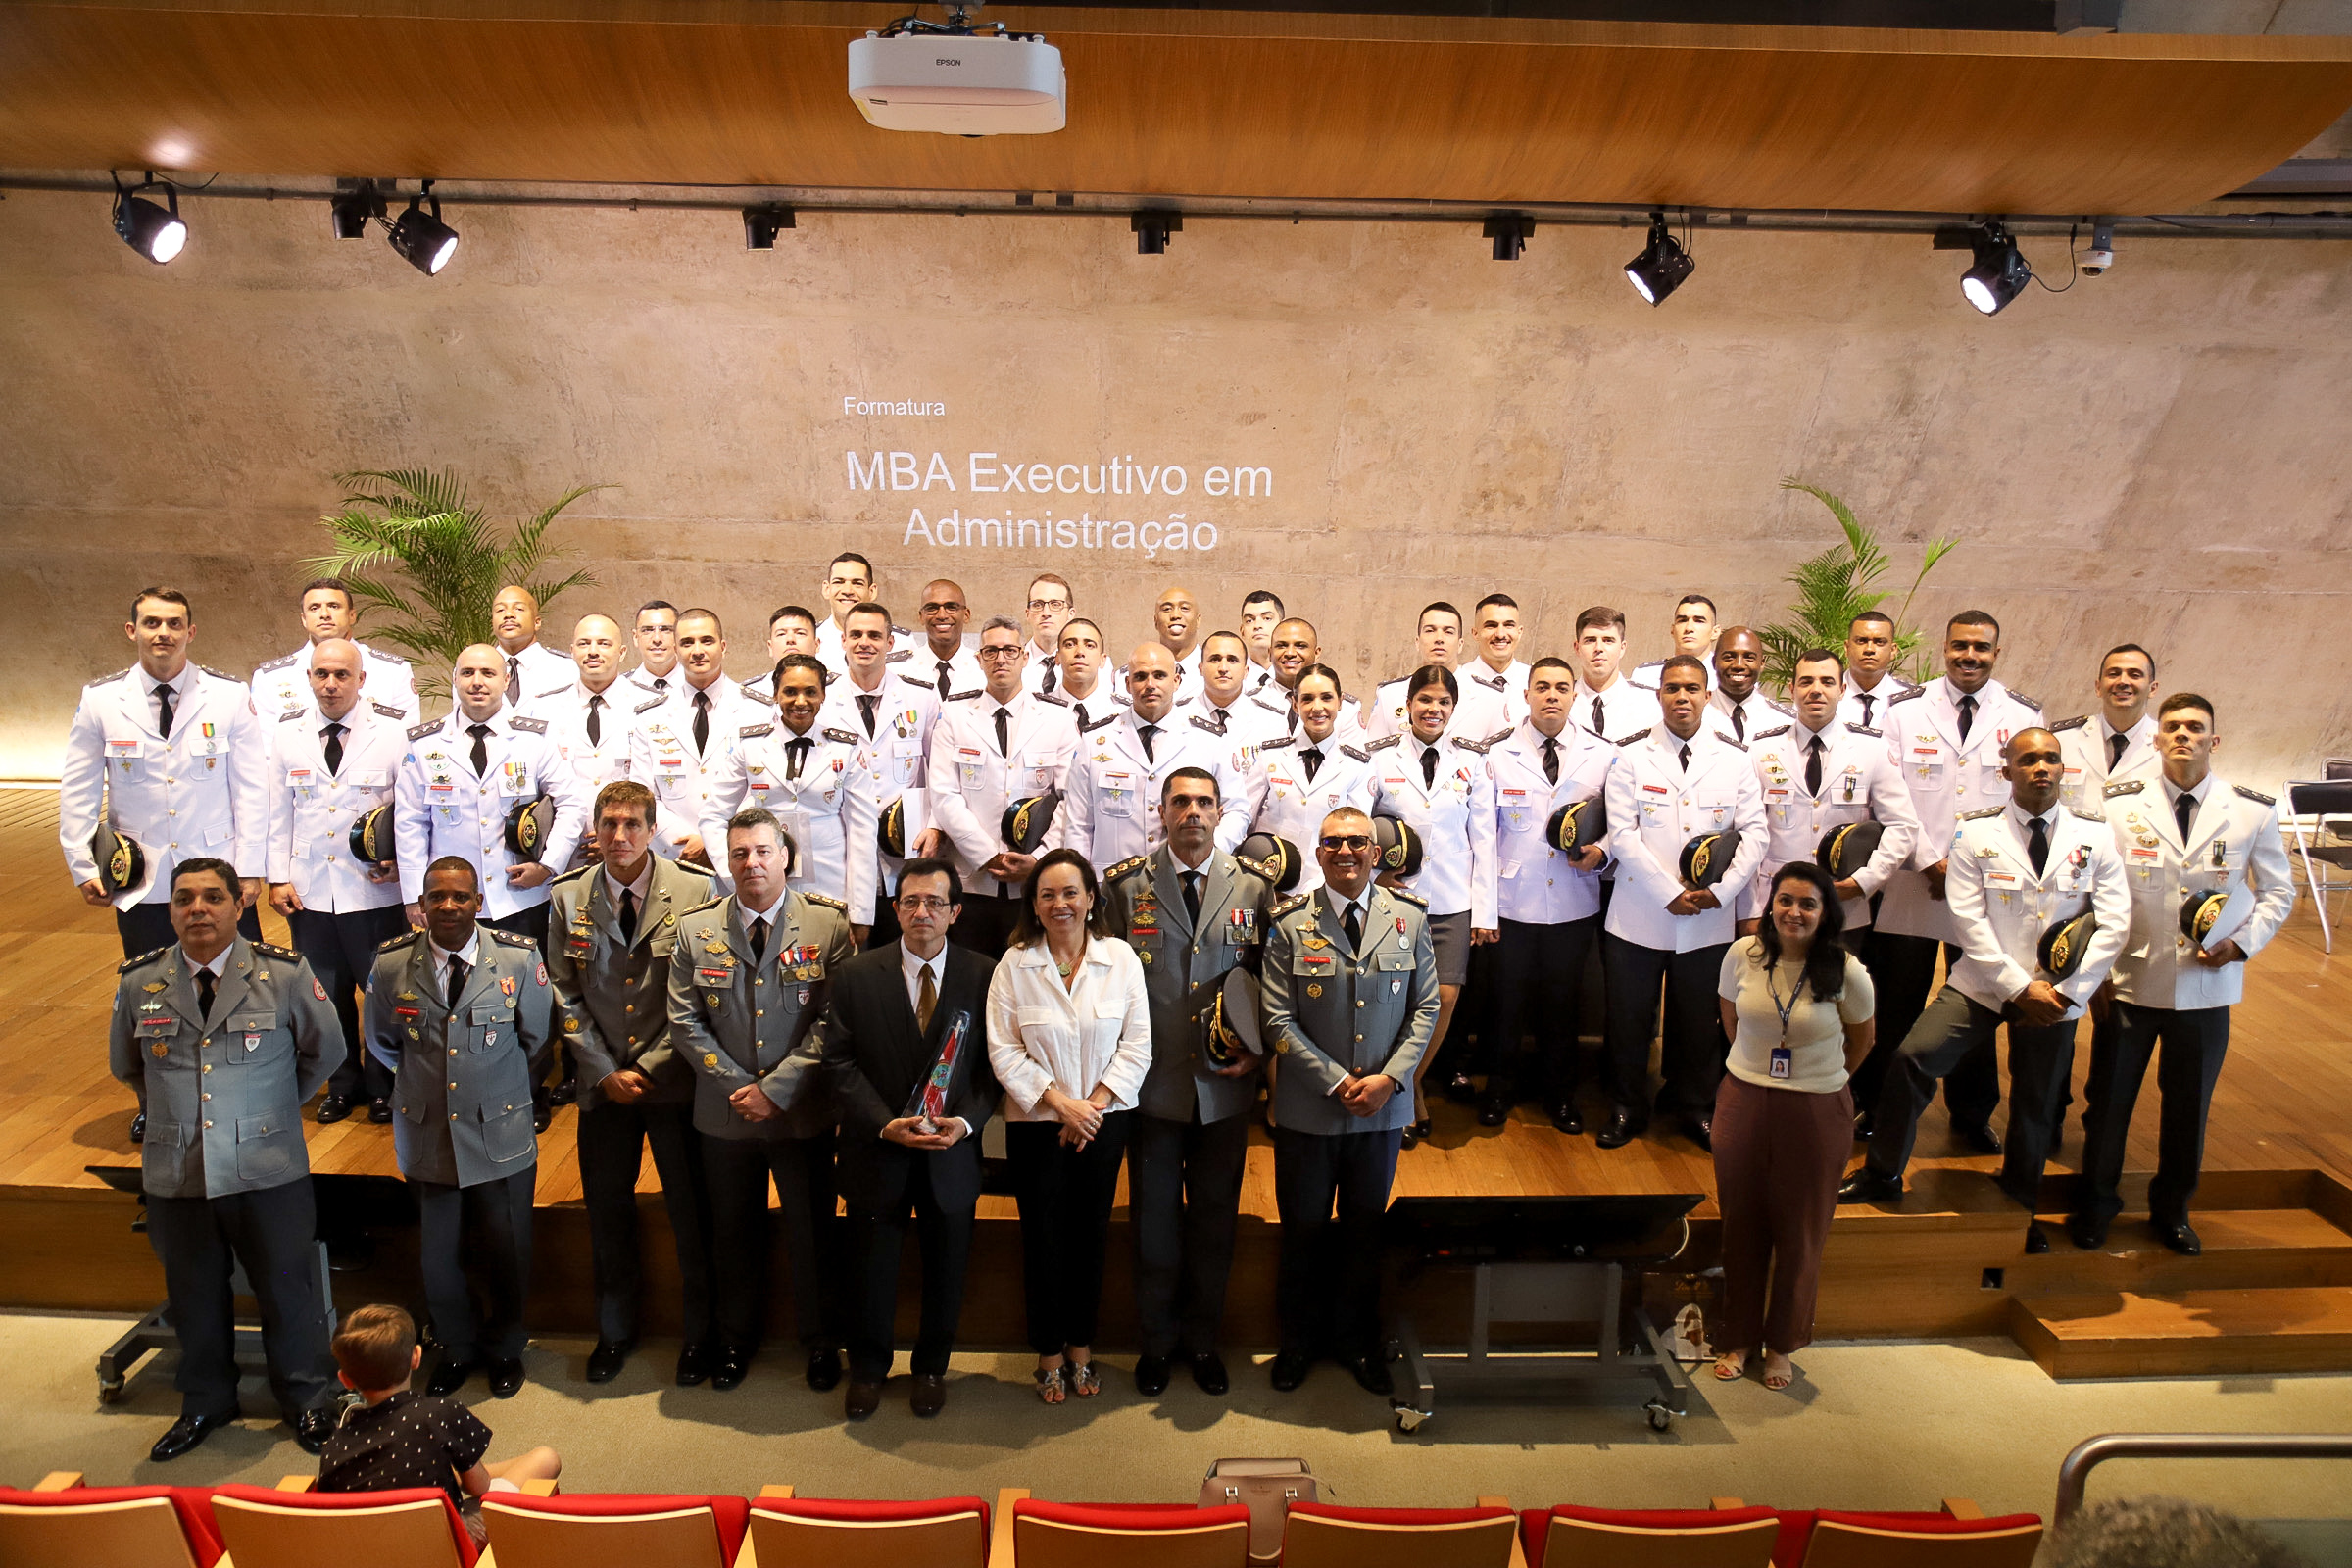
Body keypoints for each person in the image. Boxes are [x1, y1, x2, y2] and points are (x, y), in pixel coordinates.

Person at [1840, 729, 2130, 1252]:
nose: (2040, 768)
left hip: (2057, 994)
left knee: (2037, 1101)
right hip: (1983, 983)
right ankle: (1882, 1173)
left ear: (2062, 769)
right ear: (2006, 772)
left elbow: (2112, 923)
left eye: (2050, 759)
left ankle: (2021, 1205)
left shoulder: (2096, 835)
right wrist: (2020, 987)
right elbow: (1968, 920)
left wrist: (2072, 992)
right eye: (2027, 760)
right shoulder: (1975, 833)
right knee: (1912, 1057)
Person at [111, 858, 344, 1461]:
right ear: (170, 910)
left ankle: (307, 1400)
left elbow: (326, 1051)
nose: (198, 909)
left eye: (213, 897)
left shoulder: (284, 976)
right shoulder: (140, 982)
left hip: (267, 1166)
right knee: (193, 1295)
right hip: (178, 1172)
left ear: (239, 906)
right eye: (184, 898)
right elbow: (128, 1067)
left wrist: (269, 1109)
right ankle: (206, 1401)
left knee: (287, 1291)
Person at [2073, 694, 2296, 1253]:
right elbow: (2091, 890)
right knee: (2109, 1104)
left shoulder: (2251, 810)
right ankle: (2095, 1208)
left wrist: (2240, 945)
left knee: (2188, 1108)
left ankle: (2172, 1212)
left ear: (2213, 741)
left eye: (2195, 728)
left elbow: (2277, 892)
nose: (2182, 736)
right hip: (2129, 982)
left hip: (2206, 985)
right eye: (2172, 727)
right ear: (2156, 738)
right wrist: (2090, 969)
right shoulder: (2116, 805)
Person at [1102, 768, 1277, 1397]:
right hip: (1151, 1087)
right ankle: (1155, 1345)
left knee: (1212, 1224)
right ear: (1163, 812)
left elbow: (1269, 985)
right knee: (1153, 1228)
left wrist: (1259, 1057)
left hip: (1225, 1087)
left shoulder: (1254, 887)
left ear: (1220, 811)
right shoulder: (1124, 887)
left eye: (1204, 802)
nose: (1193, 813)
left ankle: (1201, 1342)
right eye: (1181, 802)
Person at [668, 808, 857, 1392]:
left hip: (800, 1111)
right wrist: (738, 1088)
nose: (752, 863)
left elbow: (836, 1020)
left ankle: (822, 1341)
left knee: (812, 1232)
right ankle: (735, 1339)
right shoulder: (694, 929)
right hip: (725, 1115)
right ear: (727, 862)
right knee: (731, 1232)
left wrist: (776, 1089)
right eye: (740, 853)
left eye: (763, 851)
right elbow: (683, 1021)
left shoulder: (827, 925)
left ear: (786, 858)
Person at [809, 858, 1001, 1420]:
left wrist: (964, 1123)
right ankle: (868, 1370)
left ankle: (931, 1368)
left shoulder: (985, 975)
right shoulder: (857, 975)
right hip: (877, 1151)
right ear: (894, 910)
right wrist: (881, 1121)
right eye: (911, 902)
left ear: (956, 913)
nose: (922, 913)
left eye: (935, 903)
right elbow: (837, 1061)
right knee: (871, 1270)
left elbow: (995, 1067)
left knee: (947, 1270)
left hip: (951, 1154)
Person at [543, 781, 718, 1386]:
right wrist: (601, 1069)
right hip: (602, 1087)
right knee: (607, 1214)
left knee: (690, 1215)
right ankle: (615, 1330)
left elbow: (700, 993)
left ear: (651, 830)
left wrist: (647, 1067)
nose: (620, 837)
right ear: (594, 829)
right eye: (609, 824)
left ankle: (701, 1335)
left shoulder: (696, 890)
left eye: (632, 825)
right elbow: (563, 992)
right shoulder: (568, 897)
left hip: (671, 1082)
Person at [1261, 807, 1438, 1396]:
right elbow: (1277, 1019)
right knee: (1304, 1230)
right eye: (1333, 843)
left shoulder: (1409, 919)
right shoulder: (1290, 923)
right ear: (1317, 854)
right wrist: (1336, 1080)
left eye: (1358, 842)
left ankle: (1357, 1341)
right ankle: (1298, 1342)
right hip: (1311, 1109)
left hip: (1383, 1111)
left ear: (1376, 851)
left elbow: (1427, 1009)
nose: (1346, 852)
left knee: (1365, 1231)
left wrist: (1390, 1079)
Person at [365, 857, 555, 1398]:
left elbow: (537, 1039)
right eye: (436, 897)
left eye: (460, 896)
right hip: (428, 1134)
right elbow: (382, 1042)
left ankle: (505, 1348)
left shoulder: (518, 960)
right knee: (438, 1258)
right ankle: (457, 1345)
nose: (448, 906)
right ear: (421, 906)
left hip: (500, 1131)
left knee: (508, 1249)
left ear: (479, 902)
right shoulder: (391, 965)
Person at [1870, 611, 2043, 1151]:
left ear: (1997, 652)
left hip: (1990, 885)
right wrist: (1927, 858)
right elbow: (1889, 791)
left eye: (1982, 648)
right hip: (1914, 881)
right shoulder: (1903, 710)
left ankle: (1972, 1115)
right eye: (1960, 646)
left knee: (1979, 998)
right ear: (1945, 649)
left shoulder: (2022, 714)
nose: (1970, 656)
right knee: (1897, 998)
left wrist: (1971, 867)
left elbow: (2029, 800)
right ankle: (1879, 1106)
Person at [987, 848, 1153, 1404]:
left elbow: (1137, 1044)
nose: (1060, 903)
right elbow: (1003, 1050)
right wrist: (1063, 1105)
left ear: (1090, 900)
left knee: (1090, 1235)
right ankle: (1049, 1355)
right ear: (1033, 905)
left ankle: (1082, 1346)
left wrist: (1092, 1107)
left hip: (1103, 1122)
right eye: (1047, 894)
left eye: (1070, 892)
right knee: (1042, 1238)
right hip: (1038, 1124)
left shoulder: (1121, 957)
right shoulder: (1013, 964)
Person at [1711, 862, 1875, 1393]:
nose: (1794, 913)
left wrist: (1824, 1079)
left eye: (1807, 904)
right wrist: (1758, 1068)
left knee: (1800, 1234)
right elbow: (1731, 1018)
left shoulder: (1846, 970)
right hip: (1744, 1102)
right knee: (1741, 1227)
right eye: (1785, 900)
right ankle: (1737, 1336)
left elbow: (1863, 1039)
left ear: (1825, 913)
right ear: (1771, 905)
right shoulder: (1742, 955)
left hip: (1815, 1110)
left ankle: (1781, 1343)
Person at [62, 587, 269, 1001]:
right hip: (141, 876)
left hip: (218, 870)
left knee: (241, 989)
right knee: (153, 992)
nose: (163, 633)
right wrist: (82, 865)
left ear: (190, 632)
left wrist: (250, 865)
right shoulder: (101, 700)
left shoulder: (228, 696)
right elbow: (78, 787)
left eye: (174, 624)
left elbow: (252, 788)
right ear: (131, 630)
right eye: (152, 623)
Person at [1598, 655, 1766, 1151]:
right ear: (1659, 696)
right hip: (1639, 914)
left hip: (1709, 915)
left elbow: (1755, 834)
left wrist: (1722, 891)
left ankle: (1695, 1105)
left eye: (1692, 688)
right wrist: (1669, 892)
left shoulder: (1735, 760)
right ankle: (1627, 1105)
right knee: (1629, 1018)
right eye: (1672, 688)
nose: (1682, 697)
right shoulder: (1630, 757)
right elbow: (1622, 835)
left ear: (1707, 696)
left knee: (1699, 1019)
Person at [265, 639, 410, 1124]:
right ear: (308, 678)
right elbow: (277, 812)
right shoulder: (287, 735)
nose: (331, 684)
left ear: (361, 679)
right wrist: (277, 877)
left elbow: (408, 813)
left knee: (384, 994)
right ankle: (342, 1084)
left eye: (342, 675)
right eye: (321, 674)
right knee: (325, 996)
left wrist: (403, 867)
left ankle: (387, 1084)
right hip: (310, 891)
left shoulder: (392, 734)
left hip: (373, 890)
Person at [1477, 657, 1614, 1132]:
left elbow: (1618, 821)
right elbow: (1484, 836)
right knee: (1506, 1004)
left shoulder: (1601, 754)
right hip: (1513, 902)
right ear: (1526, 696)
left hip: (1574, 901)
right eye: (1542, 687)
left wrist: (1602, 849)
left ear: (1574, 695)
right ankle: (1499, 1091)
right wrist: (1485, 911)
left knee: (1563, 1004)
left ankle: (1560, 1097)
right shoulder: (1496, 754)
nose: (1551, 695)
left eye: (1560, 687)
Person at [1363, 665, 1497, 1144]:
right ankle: (1394, 1089)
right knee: (1393, 1000)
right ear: (1408, 706)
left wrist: (1485, 912)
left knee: (1443, 998)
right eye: (1425, 700)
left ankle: (1411, 1083)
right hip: (1393, 901)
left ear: (1453, 709)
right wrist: (1375, 876)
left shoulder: (1473, 762)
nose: (1433, 709)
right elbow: (1360, 827)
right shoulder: (1378, 759)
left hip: (1451, 901)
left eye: (1442, 702)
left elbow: (1484, 839)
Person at [318, 1304, 562, 1546]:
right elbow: (480, 1487)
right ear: (416, 1357)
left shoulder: (333, 1447)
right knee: (545, 1458)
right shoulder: (440, 1414)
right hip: (445, 1546)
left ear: (345, 1379)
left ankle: (450, 1471)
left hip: (374, 1552)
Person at [392, 645, 589, 943]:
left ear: (506, 679)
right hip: (449, 900)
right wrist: (414, 893)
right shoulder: (425, 744)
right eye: (468, 673)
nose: (478, 682)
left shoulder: (533, 739)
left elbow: (571, 803)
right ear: (455, 679)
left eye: (488, 673)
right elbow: (410, 822)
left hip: (520, 895)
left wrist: (548, 865)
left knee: (523, 984)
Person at [925, 616, 1082, 956]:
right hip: (971, 882)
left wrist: (1039, 859)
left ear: (1025, 657)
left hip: (1035, 884)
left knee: (1031, 982)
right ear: (978, 659)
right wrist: (986, 855)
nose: (1001, 659)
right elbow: (943, 794)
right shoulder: (954, 715)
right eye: (991, 651)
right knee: (973, 984)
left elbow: (1071, 798)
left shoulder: (1058, 719)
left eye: (1010, 650)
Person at [1739, 648, 1918, 944]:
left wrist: (1863, 881)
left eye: (1827, 682)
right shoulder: (1761, 751)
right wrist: (1750, 910)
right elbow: (1747, 832)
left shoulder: (1871, 750)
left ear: (1843, 689)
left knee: (1836, 988)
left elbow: (1903, 826)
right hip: (1775, 905)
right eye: (1807, 682)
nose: (1816, 690)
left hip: (1844, 908)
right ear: (1792, 689)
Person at [699, 652, 879, 934]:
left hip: (828, 888)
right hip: (759, 890)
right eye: (790, 692)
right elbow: (713, 816)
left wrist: (861, 913)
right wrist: (736, 874)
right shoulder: (750, 745)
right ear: (775, 694)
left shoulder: (845, 748)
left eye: (810, 692)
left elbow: (863, 831)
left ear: (823, 696)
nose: (800, 701)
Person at [1059, 644, 1245, 873]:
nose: (1150, 685)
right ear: (1127, 684)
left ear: (1176, 681)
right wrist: (1080, 880)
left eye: (1159, 675)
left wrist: (1208, 852)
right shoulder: (1095, 740)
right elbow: (1079, 824)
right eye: (1140, 677)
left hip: (1186, 876)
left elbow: (1236, 809)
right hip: (1113, 882)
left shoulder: (1210, 741)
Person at [818, 600, 943, 944]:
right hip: (840, 856)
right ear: (842, 640)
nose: (864, 642)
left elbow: (940, 771)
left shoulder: (920, 697)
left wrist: (935, 826)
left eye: (875, 635)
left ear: (890, 643)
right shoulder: (822, 701)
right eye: (855, 634)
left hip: (905, 857)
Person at [630, 608, 760, 867]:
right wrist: (683, 841)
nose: (697, 650)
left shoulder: (757, 710)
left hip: (738, 853)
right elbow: (643, 794)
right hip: (673, 854)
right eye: (687, 643)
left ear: (723, 646)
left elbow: (760, 788)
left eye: (706, 640)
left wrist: (715, 841)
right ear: (676, 651)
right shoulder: (651, 715)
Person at [1241, 664, 1380, 899]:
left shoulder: (1358, 767)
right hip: (1266, 885)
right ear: (1295, 704)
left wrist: (1313, 891)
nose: (1317, 707)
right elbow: (1245, 819)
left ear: (1340, 702)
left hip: (1328, 890)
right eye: (1307, 699)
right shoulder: (1269, 756)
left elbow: (1355, 838)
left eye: (1326, 697)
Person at [524, 614, 640, 860]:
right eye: (584, 643)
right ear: (572, 651)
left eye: (603, 643)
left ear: (621, 652)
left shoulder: (648, 706)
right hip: (563, 851)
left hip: (632, 846)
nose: (593, 651)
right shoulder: (543, 709)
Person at [248, 576, 417, 719]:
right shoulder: (270, 678)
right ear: (304, 619)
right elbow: (266, 750)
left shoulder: (394, 672)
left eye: (334, 606)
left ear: (352, 615)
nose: (324, 614)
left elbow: (406, 745)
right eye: (314, 608)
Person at [2052, 643, 2162, 813]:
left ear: (2152, 689)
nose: (2123, 682)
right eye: (2113, 674)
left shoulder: (2168, 746)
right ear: (2098, 687)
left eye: (2135, 675)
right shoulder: (2061, 740)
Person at [1180, 629, 1286, 779]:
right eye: (1215, 659)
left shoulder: (1272, 722)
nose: (1223, 668)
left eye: (1232, 660)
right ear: (1201, 669)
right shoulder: (1178, 717)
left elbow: (1278, 784)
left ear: (1246, 671)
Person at [1367, 602, 1465, 742]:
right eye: (1430, 631)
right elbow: (1374, 752)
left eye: (1448, 632)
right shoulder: (1389, 693)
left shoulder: (1486, 696)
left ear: (1460, 644)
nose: (1439, 639)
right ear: (1417, 642)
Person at [1256, 618, 1364, 741]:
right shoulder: (1250, 704)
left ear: (1316, 653)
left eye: (1300, 646)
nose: (1290, 652)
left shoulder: (1347, 709)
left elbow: (1350, 759)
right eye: (1281, 645)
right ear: (1270, 653)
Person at [1568, 605, 1663, 743]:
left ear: (1622, 647)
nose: (1599, 648)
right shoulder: (1559, 702)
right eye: (1590, 640)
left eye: (1608, 640)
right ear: (1577, 648)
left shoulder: (1653, 705)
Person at [813, 551, 913, 674]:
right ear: (826, 589)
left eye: (857, 583)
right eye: (839, 582)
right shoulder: (810, 638)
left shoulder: (903, 641)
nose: (847, 590)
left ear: (872, 591)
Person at [1451, 594, 1530, 742]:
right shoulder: (1456, 681)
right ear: (1475, 633)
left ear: (1520, 632)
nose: (1500, 634)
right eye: (1491, 626)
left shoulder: (1537, 682)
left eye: (1509, 625)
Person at [489, 584, 572, 709]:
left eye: (518, 609)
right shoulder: (470, 671)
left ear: (537, 622)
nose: (508, 615)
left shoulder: (567, 669)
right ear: (492, 623)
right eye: (500, 610)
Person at [1837, 611, 1920, 730]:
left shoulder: (1913, 700)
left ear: (1893, 650)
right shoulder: (1822, 696)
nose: (1869, 649)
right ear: (1847, 647)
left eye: (1879, 642)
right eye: (1861, 641)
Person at [1705, 628, 1789, 744]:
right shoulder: (1696, 714)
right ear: (1714, 662)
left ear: (1762, 664)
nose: (1738, 665)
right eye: (1729, 657)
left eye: (1749, 658)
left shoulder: (1785, 721)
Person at [1630, 594, 1721, 691]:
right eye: (1682, 621)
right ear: (1672, 630)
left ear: (1715, 632)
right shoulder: (1646, 675)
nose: (1689, 628)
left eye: (1699, 621)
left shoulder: (1724, 677)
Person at [914, 578, 985, 698]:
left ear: (966, 615)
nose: (942, 615)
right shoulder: (899, 670)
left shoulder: (983, 669)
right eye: (932, 608)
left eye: (951, 607)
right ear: (921, 616)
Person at [1052, 617, 1123, 731]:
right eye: (1070, 644)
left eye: (1089, 645)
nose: (1080, 652)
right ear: (1057, 658)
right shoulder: (1037, 710)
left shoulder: (1123, 713)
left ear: (1102, 659)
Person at [742, 605, 824, 705]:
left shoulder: (839, 688)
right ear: (770, 647)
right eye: (781, 634)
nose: (790, 640)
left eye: (800, 633)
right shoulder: (749, 695)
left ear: (817, 644)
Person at [1139, 582, 1206, 694]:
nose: (1175, 615)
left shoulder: (1215, 673)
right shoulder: (1132, 675)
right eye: (1167, 609)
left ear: (1198, 620)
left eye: (1184, 608)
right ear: (1156, 621)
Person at [1020, 573, 1077, 695]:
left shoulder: (1090, 664)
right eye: (1037, 604)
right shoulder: (1011, 663)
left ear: (1070, 614)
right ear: (1027, 613)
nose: (1046, 613)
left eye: (1055, 604)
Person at [623, 600, 681, 703]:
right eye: (647, 630)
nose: (657, 639)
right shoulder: (619, 689)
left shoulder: (697, 684)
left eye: (666, 629)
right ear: (635, 637)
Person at [1238, 589, 1286, 698]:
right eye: (1250, 620)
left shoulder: (1302, 677)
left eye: (1267, 618)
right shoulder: (1232, 676)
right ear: (1242, 631)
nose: (1257, 625)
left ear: (1282, 627)